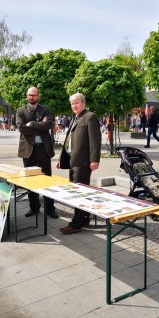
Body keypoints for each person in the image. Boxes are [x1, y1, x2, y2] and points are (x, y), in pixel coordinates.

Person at [57, 92, 101, 234]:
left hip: (82, 162)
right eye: (72, 103)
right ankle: (85, 218)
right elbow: (69, 141)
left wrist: (94, 160)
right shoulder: (75, 118)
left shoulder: (90, 117)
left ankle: (76, 224)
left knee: (79, 193)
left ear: (83, 103)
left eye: (76, 103)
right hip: (72, 160)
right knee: (81, 191)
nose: (74, 106)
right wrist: (61, 159)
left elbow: (95, 140)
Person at [16, 87, 58, 219]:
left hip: (43, 149)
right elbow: (21, 128)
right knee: (30, 180)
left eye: (34, 95)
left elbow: (48, 125)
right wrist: (40, 126)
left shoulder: (46, 109)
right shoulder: (20, 110)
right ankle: (33, 207)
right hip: (28, 150)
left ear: (38, 96)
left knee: (47, 180)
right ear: (26, 96)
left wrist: (32, 124)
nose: (31, 97)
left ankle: (50, 208)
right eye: (29, 95)